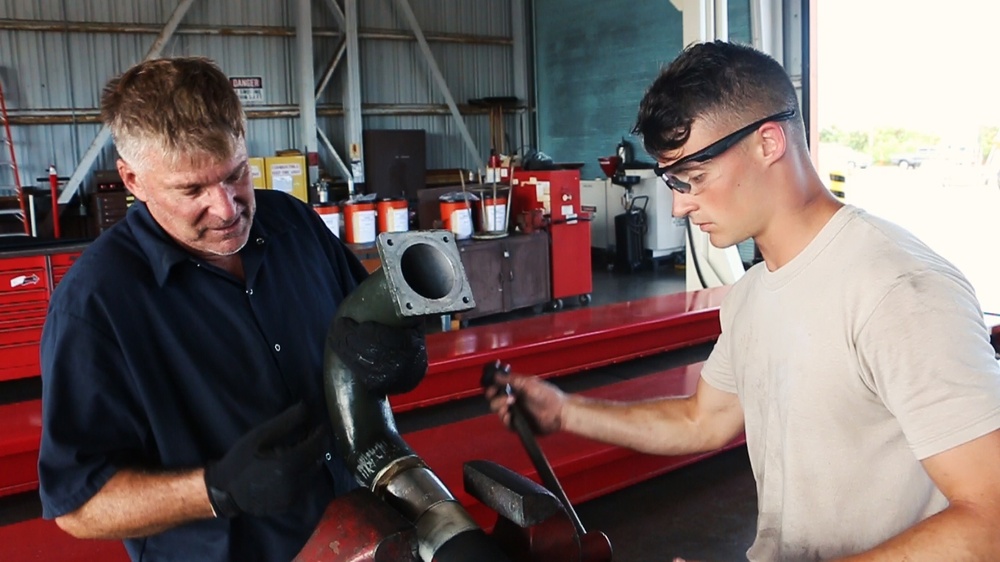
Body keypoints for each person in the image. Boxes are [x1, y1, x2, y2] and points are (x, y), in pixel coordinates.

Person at [485, 41, 1000, 561]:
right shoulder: (752, 296)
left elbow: (989, 521)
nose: (680, 206)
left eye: (695, 178)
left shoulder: (898, 289)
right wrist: (567, 412)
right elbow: (702, 420)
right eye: (672, 182)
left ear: (768, 142)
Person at [38, 57, 421, 561]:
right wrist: (217, 489)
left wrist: (402, 353)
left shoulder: (294, 226)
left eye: (236, 174)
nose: (227, 208)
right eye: (192, 189)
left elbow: (372, 336)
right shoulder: (96, 307)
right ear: (133, 180)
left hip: (368, 535)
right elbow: (77, 504)